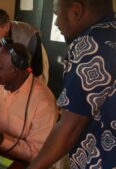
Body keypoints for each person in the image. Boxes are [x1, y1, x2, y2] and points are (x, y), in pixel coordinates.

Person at [28, 0, 116, 168]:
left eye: (57, 14)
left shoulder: (91, 46)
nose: (55, 22)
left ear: (76, 11)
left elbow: (70, 127)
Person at [0, 8, 49, 92]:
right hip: (5, 80)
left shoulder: (29, 36)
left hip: (28, 74)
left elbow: (36, 74)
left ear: (6, 27)